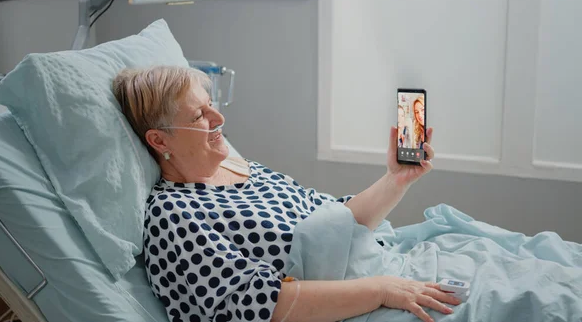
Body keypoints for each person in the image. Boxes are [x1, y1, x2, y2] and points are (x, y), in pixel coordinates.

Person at [113, 66, 455, 322]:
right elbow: (259, 302)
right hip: (356, 305)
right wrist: (382, 290)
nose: (218, 117)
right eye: (199, 115)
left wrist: (397, 178)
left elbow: (339, 220)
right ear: (159, 140)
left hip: (382, 270)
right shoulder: (173, 214)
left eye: (211, 104)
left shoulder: (243, 168)